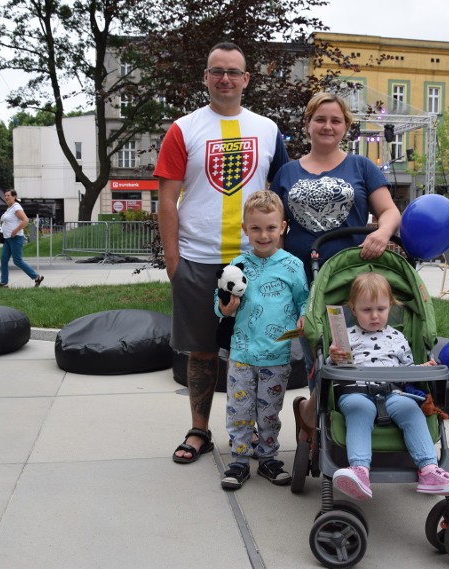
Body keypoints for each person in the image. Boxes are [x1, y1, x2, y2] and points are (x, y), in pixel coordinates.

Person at [154, 42, 290, 464]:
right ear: (206, 77)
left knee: (256, 350)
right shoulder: (183, 128)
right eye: (217, 71)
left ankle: (255, 436)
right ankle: (200, 430)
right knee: (202, 350)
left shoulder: (268, 129)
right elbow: (166, 199)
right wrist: (173, 260)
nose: (225, 78)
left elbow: (281, 194)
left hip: (256, 260)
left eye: (233, 71)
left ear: (247, 79)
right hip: (198, 258)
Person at [269, 92, 401, 442]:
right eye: (320, 119)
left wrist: (382, 233)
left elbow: (389, 212)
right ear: (308, 123)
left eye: (336, 120)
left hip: (350, 285)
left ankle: (333, 420)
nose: (328, 126)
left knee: (345, 354)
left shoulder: (361, 167)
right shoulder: (286, 172)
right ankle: (320, 423)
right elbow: (275, 230)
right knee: (316, 352)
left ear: (346, 127)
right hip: (302, 280)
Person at [327, 272, 449, 501]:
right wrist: (334, 357)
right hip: (356, 391)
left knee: (411, 411)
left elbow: (408, 370)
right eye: (366, 310)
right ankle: (359, 470)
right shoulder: (346, 337)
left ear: (391, 306)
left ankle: (429, 469)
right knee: (359, 411)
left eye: (381, 309)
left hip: (394, 391)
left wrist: (423, 368)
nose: (374, 316)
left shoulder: (397, 338)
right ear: (353, 309)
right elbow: (332, 367)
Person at [215, 190, 308, 489]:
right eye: (255, 228)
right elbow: (218, 302)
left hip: (276, 356)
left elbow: (305, 300)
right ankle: (239, 461)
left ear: (282, 227)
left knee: (269, 412)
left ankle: (268, 458)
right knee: (239, 412)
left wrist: (305, 316)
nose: (263, 235)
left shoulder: (292, 266)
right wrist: (223, 307)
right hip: (241, 354)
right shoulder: (236, 265)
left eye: (270, 228)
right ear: (245, 229)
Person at [0, 189, 44, 288]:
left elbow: (25, 220)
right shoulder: (9, 208)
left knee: (17, 260)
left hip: (15, 238)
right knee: (3, 259)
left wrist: (15, 231)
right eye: (5, 195)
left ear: (14, 197)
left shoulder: (16, 207)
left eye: (8, 195)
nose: (6, 197)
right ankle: (4, 283)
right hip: (8, 239)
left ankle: (36, 277)